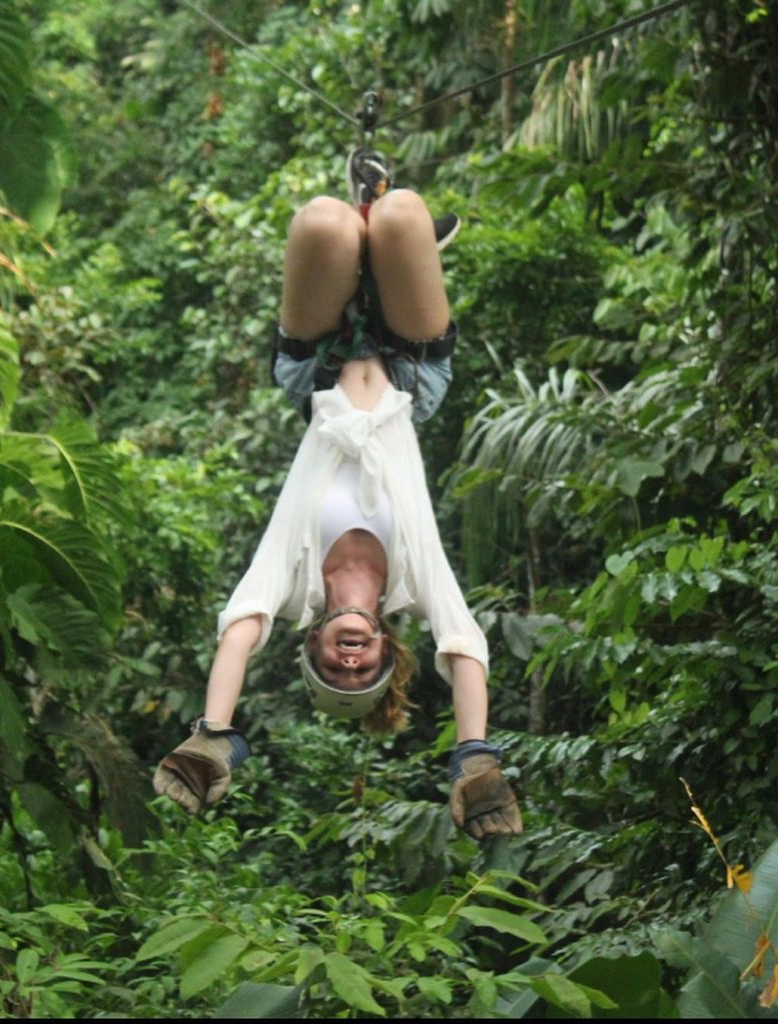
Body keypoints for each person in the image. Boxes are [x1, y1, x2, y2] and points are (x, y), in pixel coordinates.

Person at [153, 151, 522, 840]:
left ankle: (366, 252)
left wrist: (214, 734)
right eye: (364, 672)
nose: (350, 662)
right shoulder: (414, 584)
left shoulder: (290, 584)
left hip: (316, 371)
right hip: (410, 375)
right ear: (385, 648)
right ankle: (388, 253)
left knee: (322, 222)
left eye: (335, 669)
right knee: (403, 212)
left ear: (314, 646)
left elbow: (238, 633)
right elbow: (466, 649)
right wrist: (474, 756)